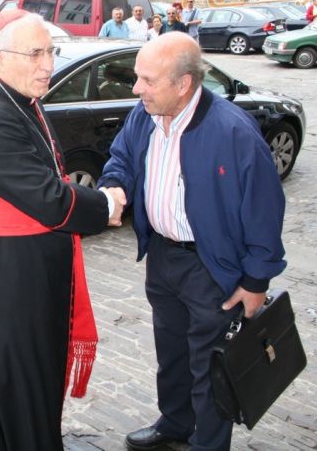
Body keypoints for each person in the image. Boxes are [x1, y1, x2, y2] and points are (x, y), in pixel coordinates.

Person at [97, 32, 286, 451]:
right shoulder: (144, 114)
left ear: (183, 85)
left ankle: (209, 445)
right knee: (173, 355)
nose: (136, 88)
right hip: (162, 257)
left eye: (147, 80)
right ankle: (175, 423)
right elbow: (122, 157)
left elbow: (264, 212)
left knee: (210, 366)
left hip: (210, 266)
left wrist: (256, 281)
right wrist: (115, 188)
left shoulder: (233, 132)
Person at [0, 9, 116, 450]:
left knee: (21, 366)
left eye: (50, 50)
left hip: (24, 263)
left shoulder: (21, 99)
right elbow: (50, 198)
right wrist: (105, 204)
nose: (48, 64)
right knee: (23, 373)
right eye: (35, 53)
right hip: (9, 271)